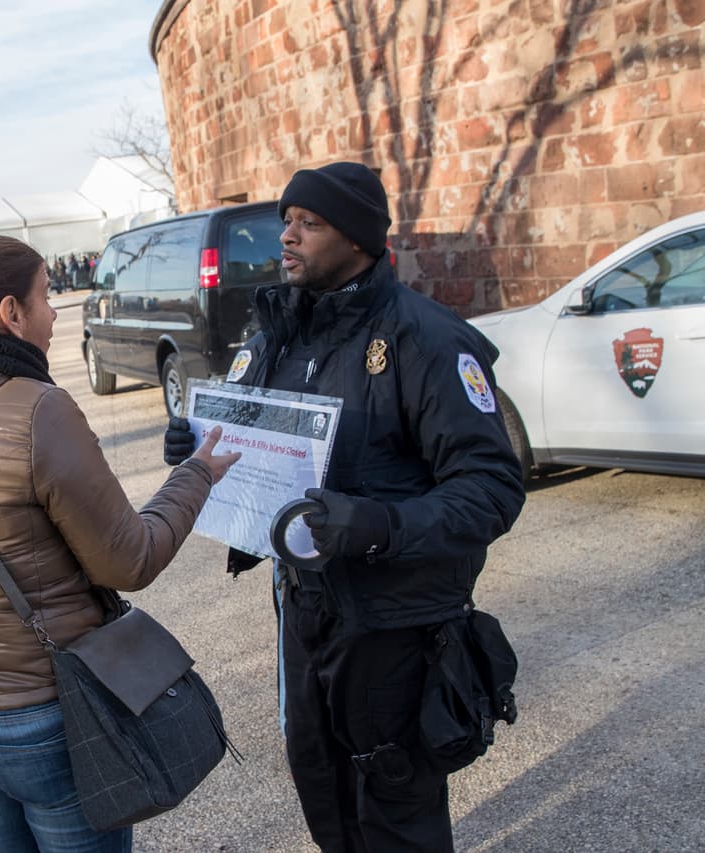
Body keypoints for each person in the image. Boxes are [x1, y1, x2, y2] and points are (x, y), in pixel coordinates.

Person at [165, 162, 525, 852]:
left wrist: (380, 524)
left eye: (309, 223)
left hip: (395, 625)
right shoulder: (278, 329)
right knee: (320, 780)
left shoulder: (427, 340)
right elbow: (252, 440)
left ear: (358, 239)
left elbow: (492, 488)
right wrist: (198, 447)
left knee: (395, 804)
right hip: (306, 609)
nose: (288, 237)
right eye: (287, 222)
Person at [0, 235, 240, 853]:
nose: (55, 312)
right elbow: (131, 558)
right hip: (41, 718)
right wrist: (196, 475)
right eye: (45, 295)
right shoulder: (37, 408)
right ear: (9, 313)